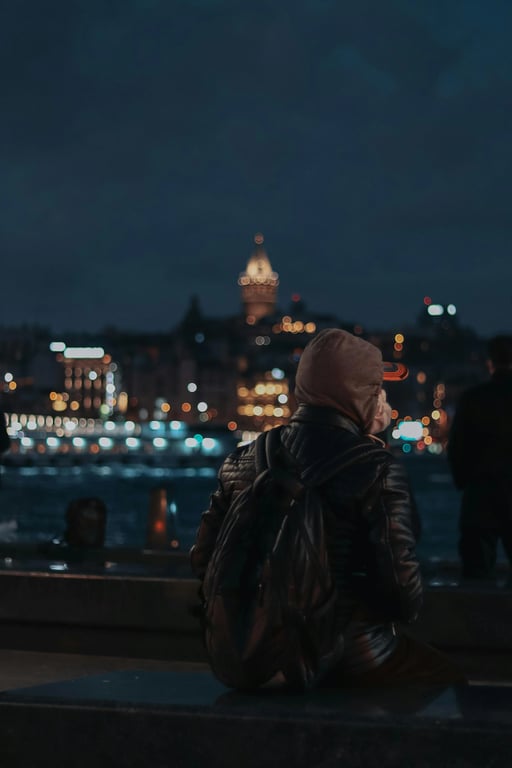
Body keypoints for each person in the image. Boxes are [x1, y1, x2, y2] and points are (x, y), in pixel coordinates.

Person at [192, 328, 464, 688]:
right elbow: (403, 596)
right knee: (450, 686)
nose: (383, 397)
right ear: (358, 395)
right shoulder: (375, 467)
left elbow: (202, 561)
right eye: (375, 389)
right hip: (349, 657)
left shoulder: (243, 459)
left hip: (251, 655)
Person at [447, 335, 512, 582]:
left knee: (476, 575)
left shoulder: (473, 398)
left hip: (480, 493)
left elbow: (457, 449)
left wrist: (465, 481)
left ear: (490, 362)